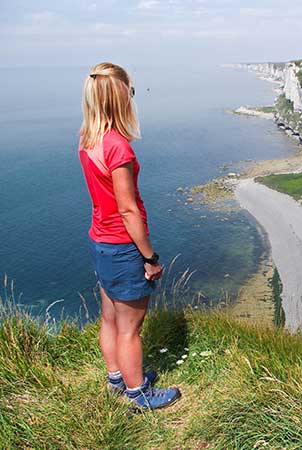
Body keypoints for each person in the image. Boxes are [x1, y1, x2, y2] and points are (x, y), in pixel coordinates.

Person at [78, 62, 181, 411]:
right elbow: (127, 210)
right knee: (130, 328)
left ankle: (117, 379)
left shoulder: (87, 139)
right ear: (120, 98)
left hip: (100, 242)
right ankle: (139, 395)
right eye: (131, 92)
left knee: (110, 317)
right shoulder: (117, 147)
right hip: (123, 247)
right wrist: (150, 258)